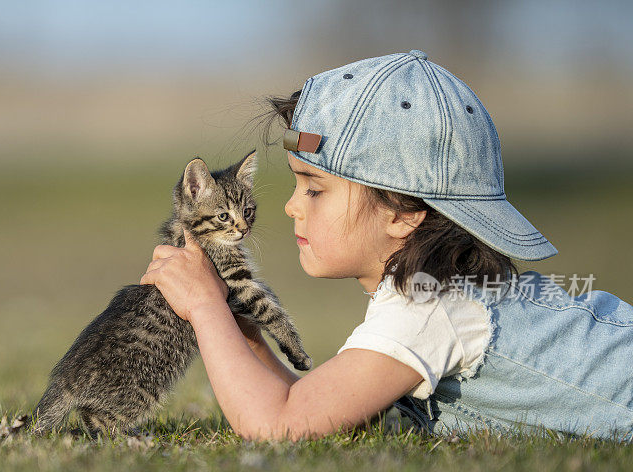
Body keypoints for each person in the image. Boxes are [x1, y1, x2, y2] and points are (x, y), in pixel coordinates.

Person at [140, 50, 633, 442]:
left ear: (402, 213)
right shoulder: (432, 293)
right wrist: (234, 319)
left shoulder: (428, 308)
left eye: (314, 189)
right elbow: (315, 409)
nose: (291, 207)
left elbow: (279, 425)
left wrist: (205, 308)